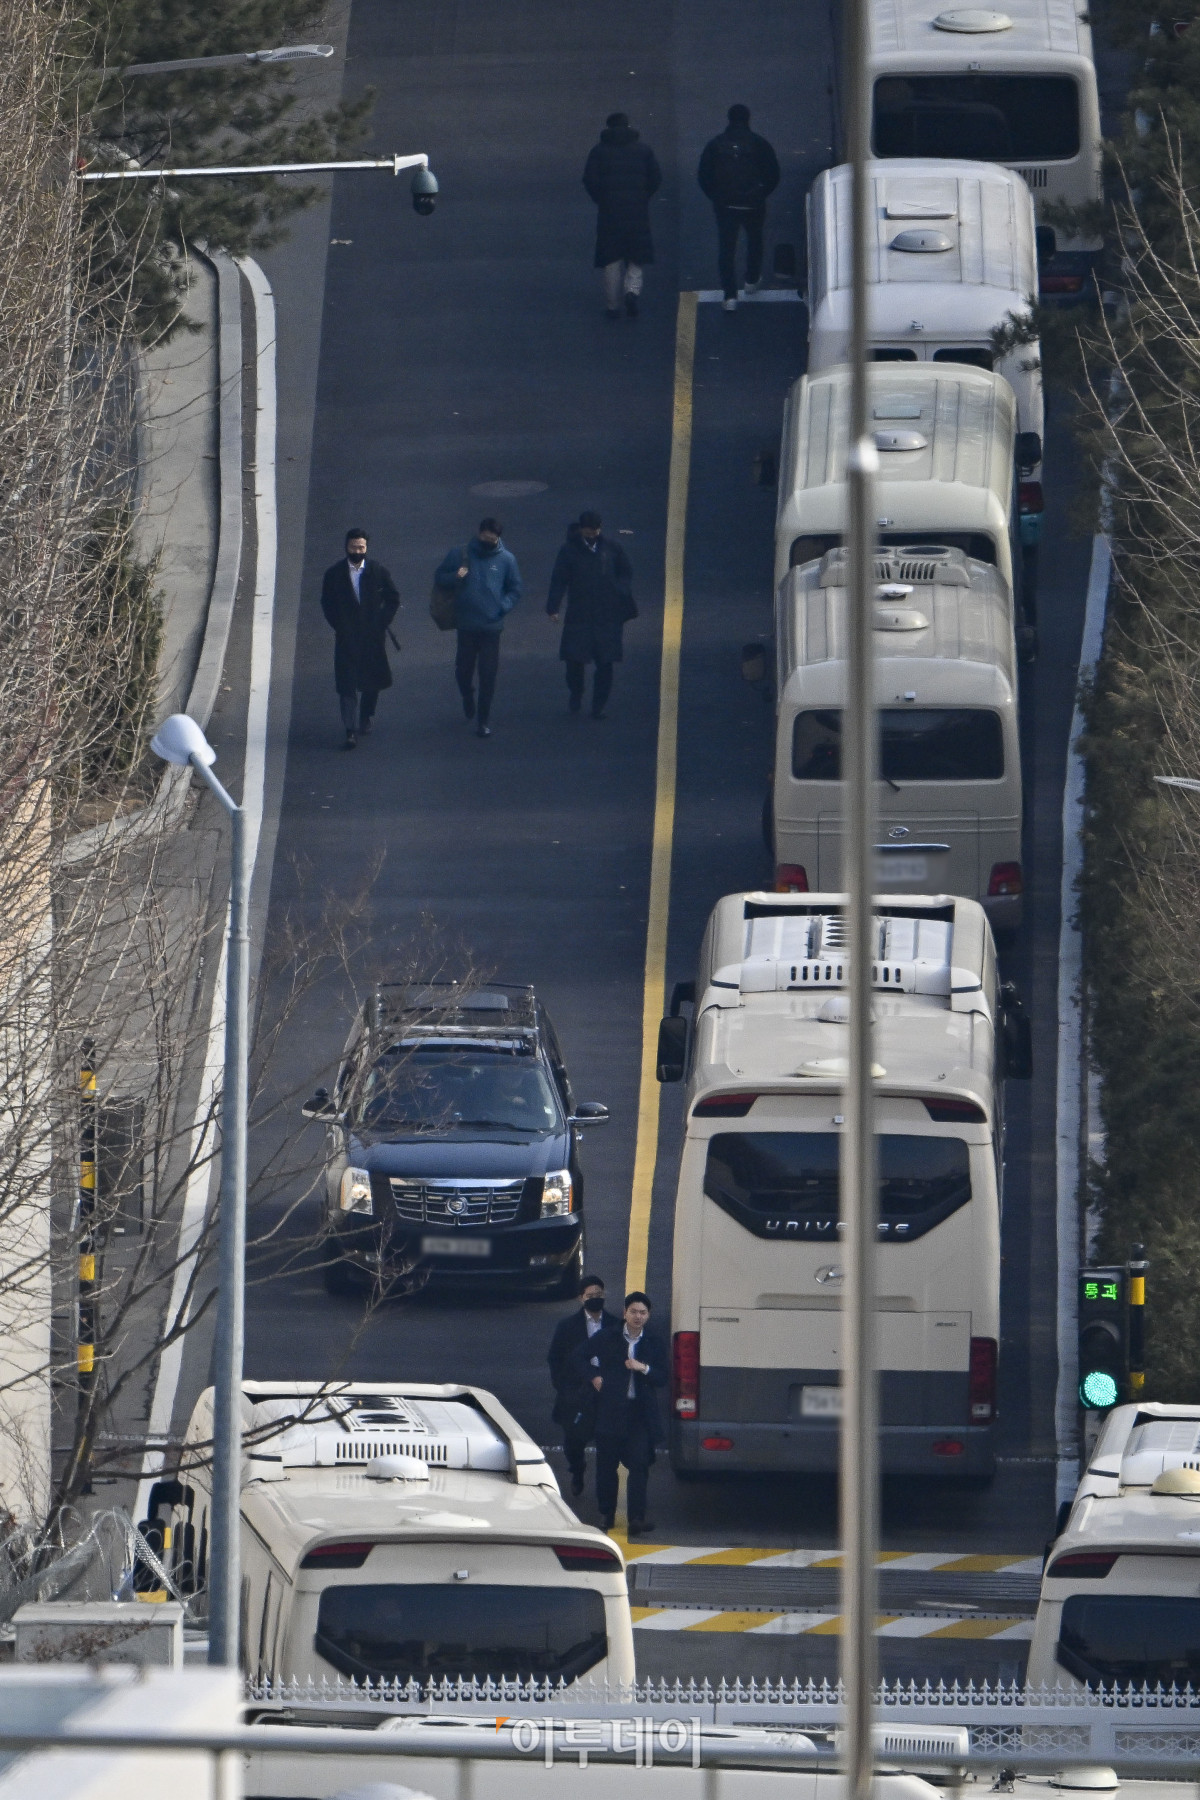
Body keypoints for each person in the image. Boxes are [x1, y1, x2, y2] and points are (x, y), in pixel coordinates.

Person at [573, 1291, 667, 1535]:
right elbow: (579, 1356)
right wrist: (594, 1377)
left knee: (639, 1464)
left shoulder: (653, 1341)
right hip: (610, 1411)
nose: (638, 1316)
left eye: (643, 1313)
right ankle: (606, 1514)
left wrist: (643, 1368)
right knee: (606, 1466)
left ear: (648, 1315)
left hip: (639, 1414)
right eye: (633, 1311)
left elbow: (662, 1377)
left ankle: (636, 1518)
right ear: (625, 1313)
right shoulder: (608, 1336)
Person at [433, 518, 522, 738]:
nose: (488, 543)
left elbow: (515, 589)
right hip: (466, 625)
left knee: (488, 674)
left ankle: (483, 720)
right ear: (479, 533)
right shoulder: (460, 554)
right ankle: (467, 694)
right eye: (485, 538)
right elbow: (439, 577)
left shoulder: (506, 559)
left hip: (492, 627)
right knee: (463, 671)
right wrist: (455, 576)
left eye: (493, 540)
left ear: (498, 538)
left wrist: (502, 607)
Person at [546, 511, 636, 718]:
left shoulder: (612, 548)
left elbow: (626, 571)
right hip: (579, 614)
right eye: (588, 532)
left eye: (595, 531)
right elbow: (559, 579)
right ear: (581, 530)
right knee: (573, 661)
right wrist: (553, 607)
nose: (592, 535)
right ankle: (576, 692)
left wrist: (619, 590)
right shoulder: (568, 551)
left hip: (607, 616)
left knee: (606, 662)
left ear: (600, 528)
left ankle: (598, 706)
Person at [319, 529, 401, 749]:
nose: (357, 551)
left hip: (372, 638)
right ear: (346, 547)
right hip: (346, 639)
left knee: (372, 682)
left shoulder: (377, 571)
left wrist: (381, 622)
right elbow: (327, 603)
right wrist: (340, 626)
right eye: (353, 547)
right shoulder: (334, 574)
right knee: (347, 684)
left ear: (366, 548)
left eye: (361, 547)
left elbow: (393, 598)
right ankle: (350, 730)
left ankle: (366, 716)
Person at [697, 104, 781, 312]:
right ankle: (751, 279)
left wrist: (716, 197)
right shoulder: (759, 143)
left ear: (729, 119)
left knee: (727, 248)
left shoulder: (716, 144)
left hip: (725, 204)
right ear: (748, 119)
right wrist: (760, 193)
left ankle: (730, 295)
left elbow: (704, 175)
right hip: (753, 203)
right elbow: (773, 174)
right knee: (754, 240)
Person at [582, 112, 663, 319]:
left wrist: (601, 199)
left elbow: (589, 179)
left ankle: (612, 305)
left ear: (608, 128)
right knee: (637, 255)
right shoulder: (643, 150)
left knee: (612, 257)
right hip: (637, 209)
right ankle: (632, 291)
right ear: (628, 126)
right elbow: (655, 178)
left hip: (610, 211)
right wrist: (643, 196)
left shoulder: (599, 151)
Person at [547, 1275, 620, 1497]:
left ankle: (605, 1492)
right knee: (573, 1441)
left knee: (607, 1441)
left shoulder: (616, 1325)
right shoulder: (567, 1326)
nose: (595, 1298)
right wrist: (564, 1388)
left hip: (606, 1391)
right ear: (581, 1298)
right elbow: (555, 1358)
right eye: (590, 1295)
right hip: (577, 1392)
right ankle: (577, 1470)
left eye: (599, 1294)